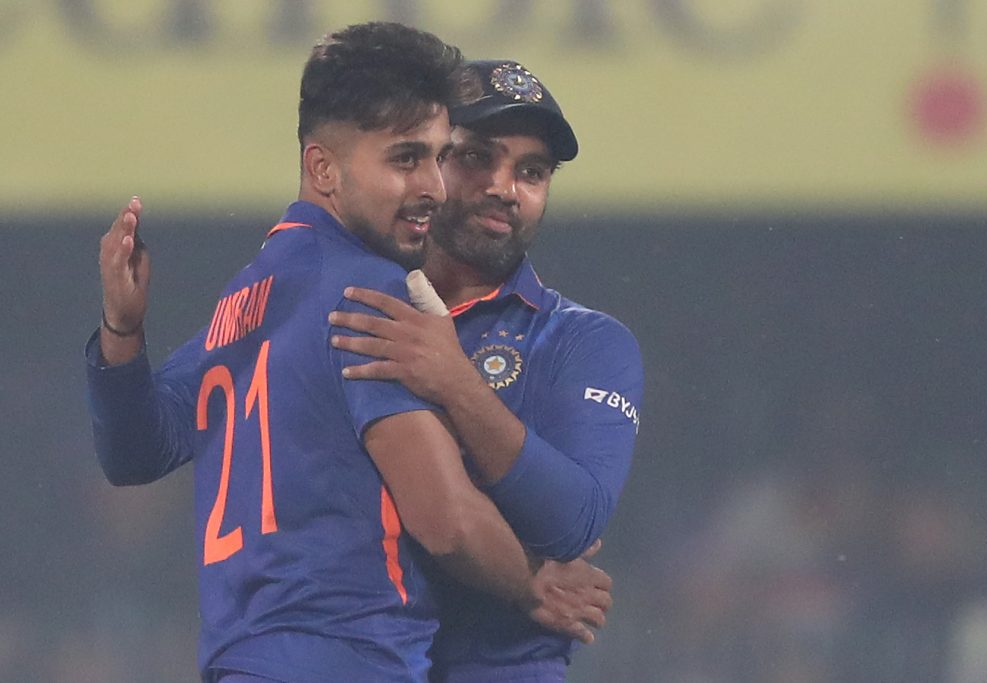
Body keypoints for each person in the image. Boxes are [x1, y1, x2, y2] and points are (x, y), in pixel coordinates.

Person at [87, 25, 606, 683]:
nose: (434, 187)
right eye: (405, 159)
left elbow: (134, 451)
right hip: (349, 656)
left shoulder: (246, 298)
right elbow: (444, 520)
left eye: (438, 157)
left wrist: (121, 331)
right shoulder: (368, 291)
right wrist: (533, 582)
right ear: (323, 169)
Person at [329, 59, 644, 682]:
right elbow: (151, 445)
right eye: (478, 158)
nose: (506, 188)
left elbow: (573, 521)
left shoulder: (584, 341)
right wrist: (125, 341)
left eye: (532, 172)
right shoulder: (352, 304)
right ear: (428, 165)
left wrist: (456, 382)